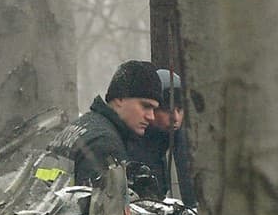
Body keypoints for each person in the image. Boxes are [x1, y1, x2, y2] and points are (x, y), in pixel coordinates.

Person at [52, 60, 163, 189]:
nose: (151, 116)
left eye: (154, 109)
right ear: (120, 98)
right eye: (145, 106)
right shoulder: (104, 144)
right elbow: (101, 206)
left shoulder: (81, 126)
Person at [127, 68, 196, 204]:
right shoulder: (131, 146)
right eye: (167, 110)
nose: (175, 117)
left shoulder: (190, 147)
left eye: (179, 109)